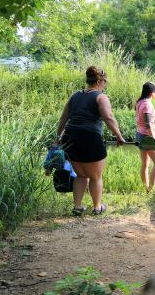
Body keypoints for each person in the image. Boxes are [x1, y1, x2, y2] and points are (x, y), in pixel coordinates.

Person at [57, 66, 125, 216]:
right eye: (105, 82)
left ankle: (77, 207)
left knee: (81, 175)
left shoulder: (74, 96)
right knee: (95, 177)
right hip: (90, 138)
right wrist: (119, 136)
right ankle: (97, 207)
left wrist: (58, 137)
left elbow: (63, 118)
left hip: (71, 138)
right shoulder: (101, 97)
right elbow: (108, 117)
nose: (105, 85)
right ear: (101, 81)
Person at [135, 82, 155, 193]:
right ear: (151, 93)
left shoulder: (140, 102)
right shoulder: (147, 104)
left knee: (145, 164)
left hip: (140, 134)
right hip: (147, 136)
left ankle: (146, 188)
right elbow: (148, 123)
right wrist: (153, 139)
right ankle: (151, 190)